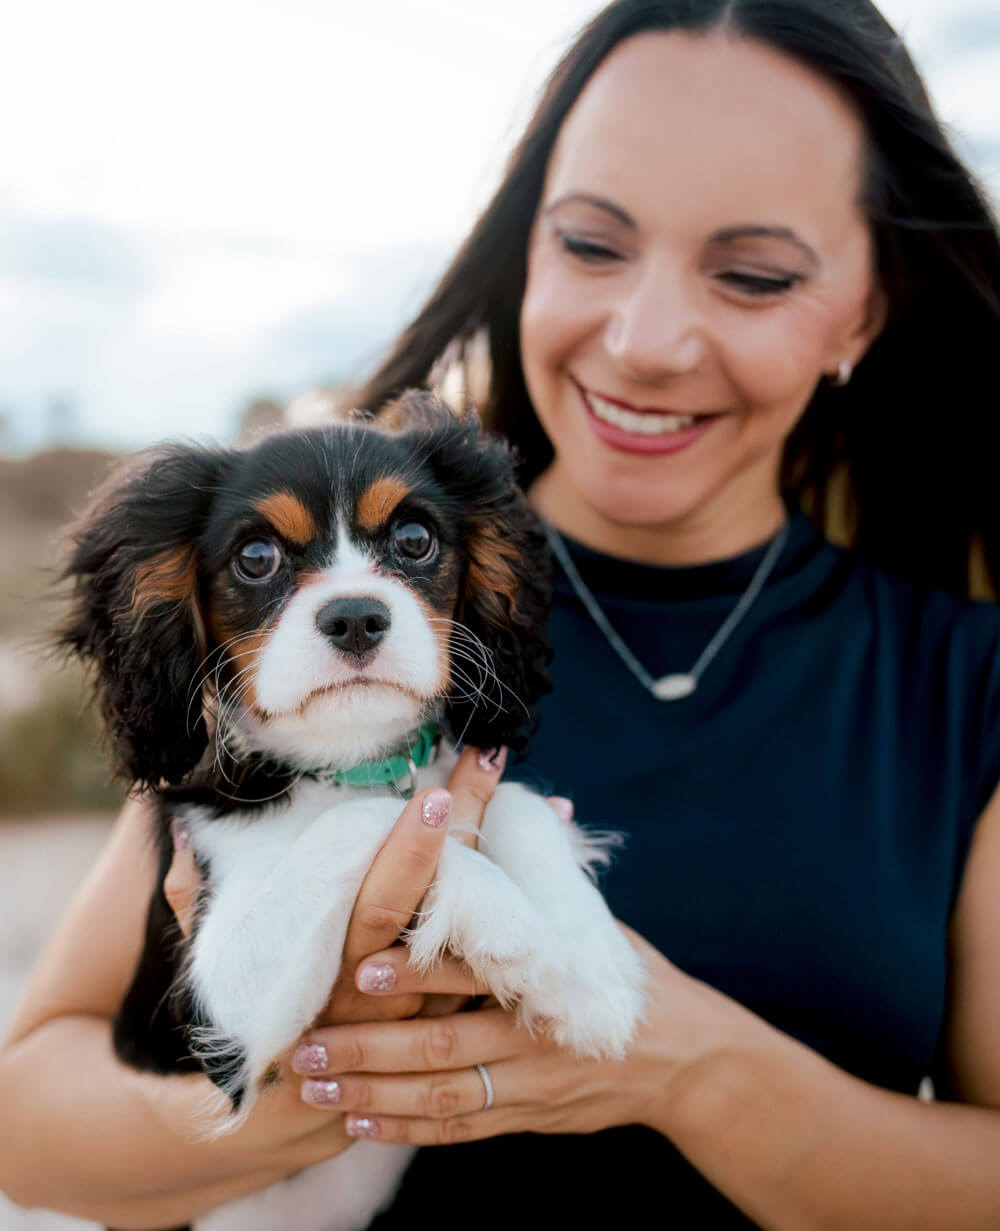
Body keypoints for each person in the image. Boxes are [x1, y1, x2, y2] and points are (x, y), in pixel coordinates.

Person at [4, 0, 1000, 1225]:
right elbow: (25, 1117)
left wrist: (686, 1067)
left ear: (864, 306)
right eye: (591, 245)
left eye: (751, 274)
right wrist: (310, 1088)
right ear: (524, 246)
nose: (643, 342)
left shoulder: (966, 684)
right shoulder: (281, 655)